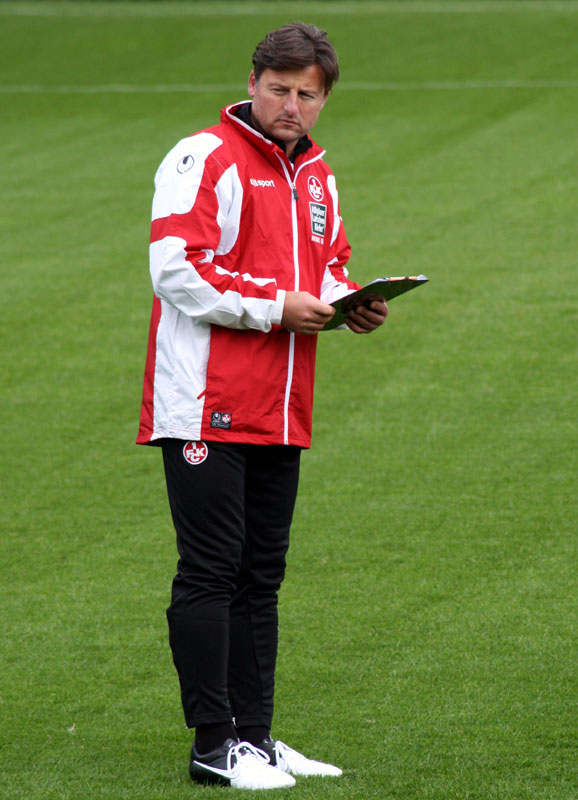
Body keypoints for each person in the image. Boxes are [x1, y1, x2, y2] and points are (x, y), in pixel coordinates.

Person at [137, 22, 388, 791]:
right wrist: (277, 307)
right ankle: (214, 745)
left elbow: (329, 262)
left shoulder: (319, 177)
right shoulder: (201, 157)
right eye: (278, 88)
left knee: (261, 576)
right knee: (212, 572)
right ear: (253, 84)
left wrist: (352, 301)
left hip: (281, 409)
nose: (290, 104)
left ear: (323, 99)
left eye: (305, 93)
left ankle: (257, 738)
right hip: (204, 403)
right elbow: (176, 269)